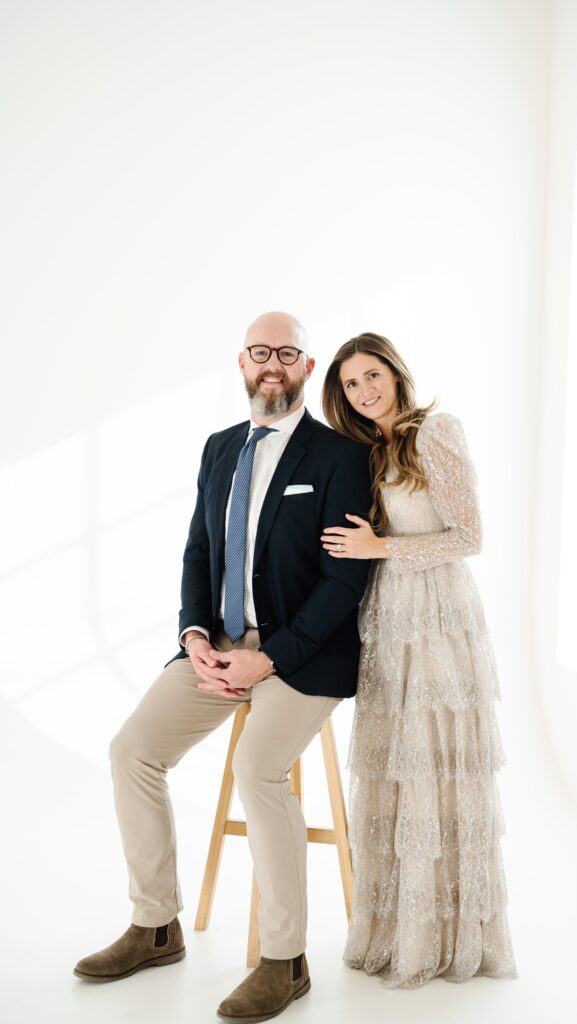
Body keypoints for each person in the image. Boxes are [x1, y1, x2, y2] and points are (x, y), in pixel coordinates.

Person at [73, 312, 372, 1023]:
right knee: (131, 752)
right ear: (241, 363)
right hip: (220, 650)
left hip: (303, 656)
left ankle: (284, 959)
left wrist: (268, 658)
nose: (273, 364)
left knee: (255, 770)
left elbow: (342, 583)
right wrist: (197, 633)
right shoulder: (216, 449)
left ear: (306, 366)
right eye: (260, 353)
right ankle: (155, 926)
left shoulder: (337, 457)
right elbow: (199, 553)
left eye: (287, 353)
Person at [320, 331, 518, 989]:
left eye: (372, 375)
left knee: (435, 770)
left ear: (396, 374)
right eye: (351, 383)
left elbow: (470, 536)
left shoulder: (437, 429)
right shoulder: (365, 449)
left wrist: (382, 548)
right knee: (394, 776)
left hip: (436, 618)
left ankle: (447, 938)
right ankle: (395, 932)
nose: (364, 390)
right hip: (387, 620)